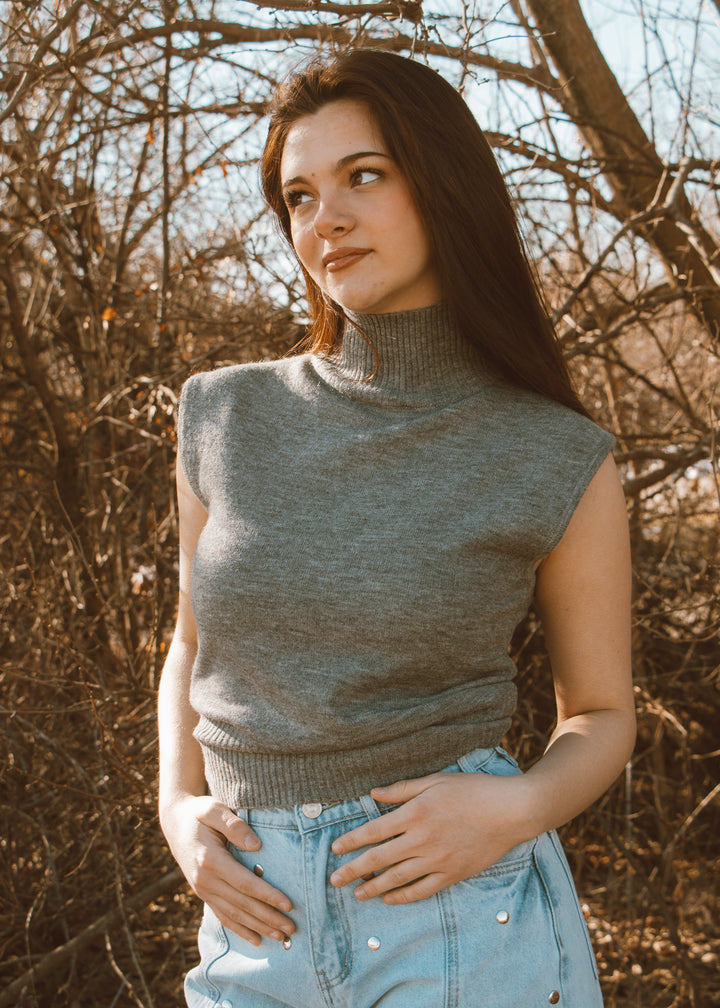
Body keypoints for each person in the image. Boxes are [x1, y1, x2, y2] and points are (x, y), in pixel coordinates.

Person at [158, 48, 636, 1008]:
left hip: (456, 905)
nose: (323, 217)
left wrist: (515, 810)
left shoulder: (556, 453)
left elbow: (602, 715)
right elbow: (190, 643)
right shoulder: (221, 415)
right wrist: (174, 807)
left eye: (362, 176)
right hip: (252, 920)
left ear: (444, 186)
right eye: (298, 196)